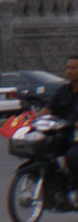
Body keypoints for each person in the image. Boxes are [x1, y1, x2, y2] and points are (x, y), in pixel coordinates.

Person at [47, 55, 78, 206]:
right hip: (63, 133)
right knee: (44, 149)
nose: (69, 71)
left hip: (76, 137)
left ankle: (74, 188)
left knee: (73, 156)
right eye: (68, 68)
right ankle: (57, 185)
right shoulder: (62, 91)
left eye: (74, 68)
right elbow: (49, 109)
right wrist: (32, 118)